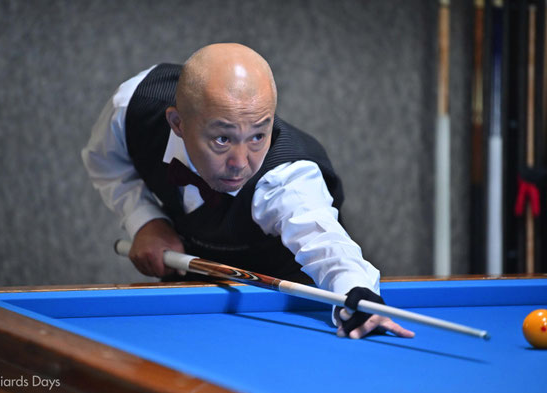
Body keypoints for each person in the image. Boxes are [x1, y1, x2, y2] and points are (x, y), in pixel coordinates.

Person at [82, 43, 414, 340]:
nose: (240, 163)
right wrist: (145, 220)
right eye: (222, 139)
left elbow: (326, 243)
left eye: (257, 136)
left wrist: (357, 294)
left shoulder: (287, 178)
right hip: (186, 295)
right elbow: (105, 162)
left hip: (281, 310)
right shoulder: (134, 106)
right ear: (178, 123)